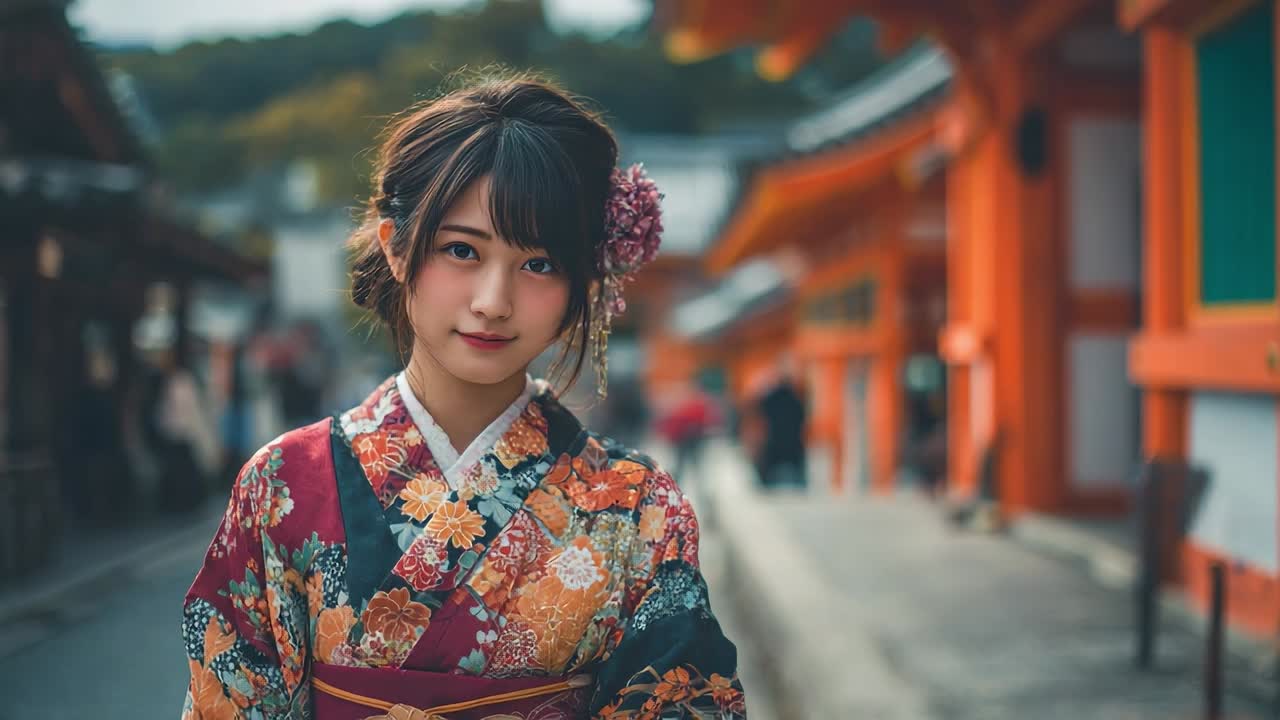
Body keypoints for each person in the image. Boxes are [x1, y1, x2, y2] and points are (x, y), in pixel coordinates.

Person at [180, 75, 746, 720]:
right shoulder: (282, 485)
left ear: (582, 284)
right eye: (460, 250)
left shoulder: (639, 505)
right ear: (397, 249)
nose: (493, 301)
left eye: (539, 264)